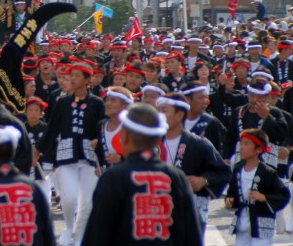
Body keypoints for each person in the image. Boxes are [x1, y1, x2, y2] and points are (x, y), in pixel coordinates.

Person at [81, 104, 203, 246]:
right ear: (159, 138)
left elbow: (97, 233)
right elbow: (193, 234)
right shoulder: (177, 177)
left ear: (124, 136)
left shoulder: (113, 177)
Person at [35, 63, 104, 246]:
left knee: (87, 203)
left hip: (90, 158)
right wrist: (38, 150)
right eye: (70, 75)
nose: (72, 79)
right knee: (69, 197)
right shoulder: (63, 102)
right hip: (65, 156)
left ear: (87, 80)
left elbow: (102, 128)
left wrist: (98, 140)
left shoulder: (97, 103)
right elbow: (52, 129)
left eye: (76, 75)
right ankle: (68, 227)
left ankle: (80, 237)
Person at [156, 93, 231, 233]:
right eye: (158, 110)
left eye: (164, 110)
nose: (159, 115)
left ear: (179, 115)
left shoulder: (199, 144)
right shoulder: (151, 143)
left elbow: (224, 172)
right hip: (158, 208)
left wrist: (204, 180)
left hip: (189, 209)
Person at [225, 128, 290, 246]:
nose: (242, 147)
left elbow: (283, 195)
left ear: (259, 149)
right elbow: (232, 191)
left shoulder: (268, 172)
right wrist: (230, 199)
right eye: (241, 144)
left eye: (246, 144)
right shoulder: (238, 169)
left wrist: (264, 197)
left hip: (262, 223)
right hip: (242, 222)